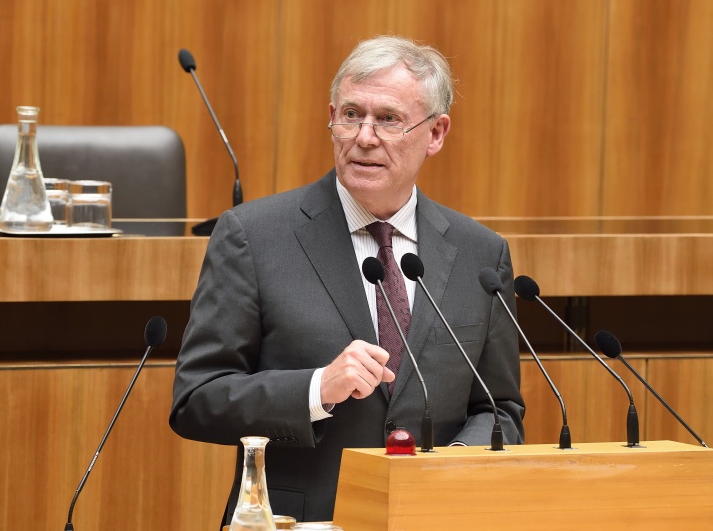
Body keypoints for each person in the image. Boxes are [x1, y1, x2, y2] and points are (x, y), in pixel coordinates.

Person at [170, 35, 525, 525]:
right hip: (300, 519)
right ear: (332, 117)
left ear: (436, 132)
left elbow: (499, 410)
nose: (364, 137)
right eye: (352, 115)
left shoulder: (480, 254)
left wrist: (454, 466)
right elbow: (196, 398)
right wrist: (316, 389)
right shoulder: (253, 237)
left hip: (434, 517)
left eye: (389, 119)